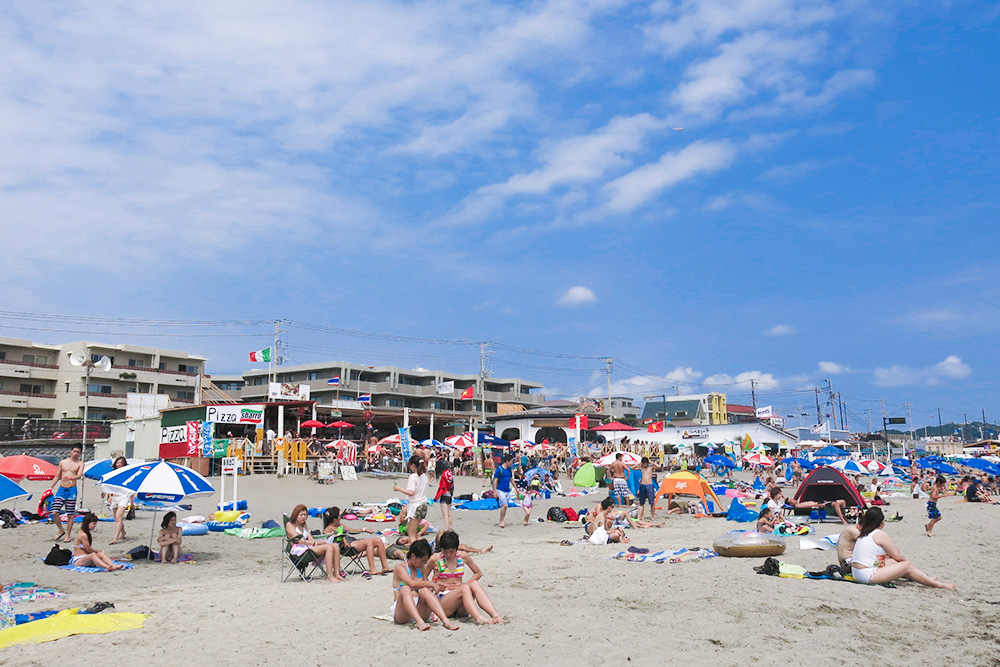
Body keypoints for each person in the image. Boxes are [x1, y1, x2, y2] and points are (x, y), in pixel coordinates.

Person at [850, 507, 956, 589]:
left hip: (856, 572)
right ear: (881, 522)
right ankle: (937, 584)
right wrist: (910, 564)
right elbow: (898, 556)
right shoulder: (879, 534)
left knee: (893, 562)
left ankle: (923, 578)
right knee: (906, 565)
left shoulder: (864, 533)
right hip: (866, 574)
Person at [427, 530, 505, 625]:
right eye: (445, 551)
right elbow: (423, 581)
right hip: (443, 600)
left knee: (473, 584)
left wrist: (462, 584)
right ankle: (479, 618)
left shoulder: (463, 556)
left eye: (452, 552)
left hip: (462, 603)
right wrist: (436, 582)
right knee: (465, 588)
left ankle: (495, 615)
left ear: (456, 549)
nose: (449, 555)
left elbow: (478, 573)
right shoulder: (435, 558)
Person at [391, 538, 460, 631]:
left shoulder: (421, 568)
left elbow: (428, 588)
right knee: (405, 589)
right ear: (413, 556)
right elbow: (412, 583)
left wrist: (435, 577)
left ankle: (445, 621)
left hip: (420, 607)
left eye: (425, 561)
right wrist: (431, 583)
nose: (423, 563)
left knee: (424, 590)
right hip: (403, 611)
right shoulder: (400, 568)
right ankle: (419, 622)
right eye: (422, 560)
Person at [323, 507, 392, 575]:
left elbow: (351, 530)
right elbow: (331, 540)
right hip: (346, 547)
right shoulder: (328, 529)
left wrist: (364, 529)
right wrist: (343, 539)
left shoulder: (339, 525)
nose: (340, 517)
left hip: (353, 541)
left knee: (379, 541)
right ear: (335, 519)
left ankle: (385, 567)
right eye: (339, 516)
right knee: (369, 543)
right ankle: (372, 569)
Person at [286, 504, 345, 583]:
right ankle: (329, 576)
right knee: (329, 547)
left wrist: (319, 543)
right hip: (298, 549)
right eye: (301, 515)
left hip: (308, 546)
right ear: (295, 515)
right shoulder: (290, 524)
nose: (303, 517)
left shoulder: (304, 524)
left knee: (335, 545)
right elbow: (298, 540)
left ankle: (337, 574)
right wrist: (316, 543)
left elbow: (310, 538)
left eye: (305, 515)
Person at [51, 446, 85, 543]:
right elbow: (57, 476)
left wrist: (70, 478)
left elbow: (79, 475)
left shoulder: (80, 464)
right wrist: (50, 487)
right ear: (71, 451)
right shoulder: (63, 462)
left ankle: (68, 535)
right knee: (55, 511)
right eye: (74, 451)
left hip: (72, 490)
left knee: (70, 514)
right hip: (61, 489)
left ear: (80, 453)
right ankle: (61, 530)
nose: (75, 453)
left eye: (78, 452)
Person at [393, 455, 429, 544]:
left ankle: (415, 552)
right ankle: (423, 547)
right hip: (423, 504)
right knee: (416, 533)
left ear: (413, 465)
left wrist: (399, 489)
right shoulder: (424, 476)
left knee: (411, 533)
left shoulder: (413, 476)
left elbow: (411, 492)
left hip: (415, 505)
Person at [106, 457, 133, 544]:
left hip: (123, 497)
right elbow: (109, 485)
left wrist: (132, 500)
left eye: (121, 463)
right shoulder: (112, 473)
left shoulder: (127, 474)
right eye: (117, 463)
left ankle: (115, 539)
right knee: (116, 518)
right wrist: (107, 494)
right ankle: (123, 532)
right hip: (114, 497)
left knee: (118, 517)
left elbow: (131, 486)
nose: (119, 464)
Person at [492, 454, 514, 528]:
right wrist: (495, 491)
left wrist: (517, 489)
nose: (512, 463)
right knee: (504, 505)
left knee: (505, 506)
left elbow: (511, 480)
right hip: (500, 490)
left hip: (507, 490)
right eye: (511, 461)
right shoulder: (499, 469)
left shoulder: (509, 470)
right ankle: (501, 521)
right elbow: (495, 480)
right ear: (507, 461)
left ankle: (502, 520)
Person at [435, 459, 454, 532]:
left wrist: (436, 497)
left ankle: (446, 529)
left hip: (444, 495)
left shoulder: (444, 474)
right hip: (449, 494)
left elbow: (442, 487)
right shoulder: (449, 473)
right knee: (449, 514)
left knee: (445, 514)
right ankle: (450, 528)